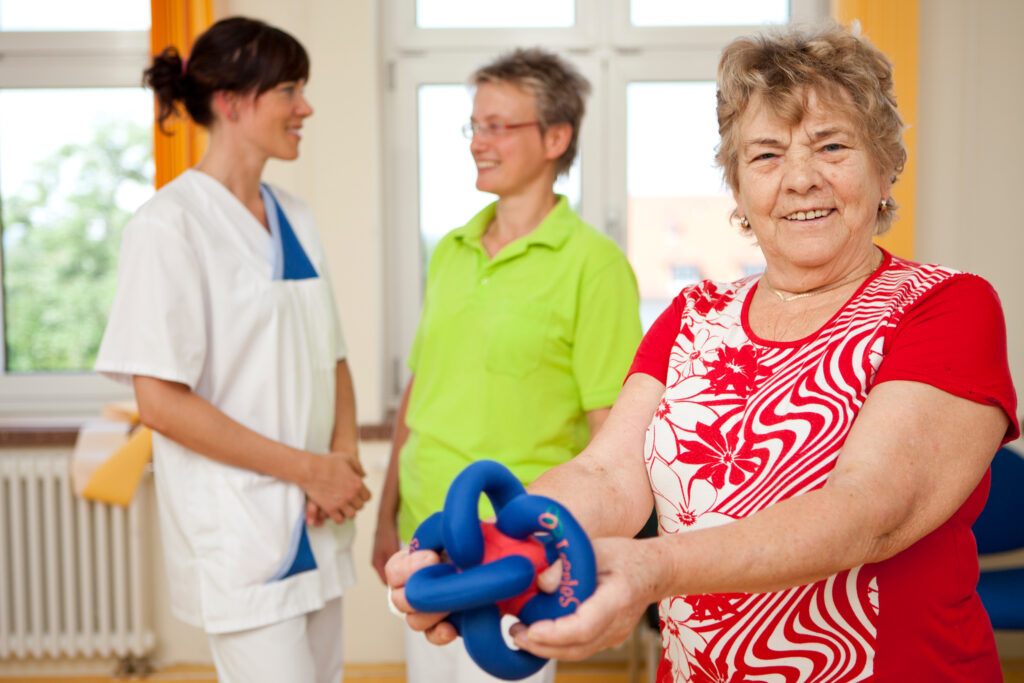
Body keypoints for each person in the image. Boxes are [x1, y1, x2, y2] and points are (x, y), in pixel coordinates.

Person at [387, 24, 1020, 682]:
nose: (800, 178)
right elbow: (608, 475)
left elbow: (866, 511)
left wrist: (652, 568)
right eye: (766, 156)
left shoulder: (945, 307)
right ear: (740, 189)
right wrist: (499, 546)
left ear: (885, 163)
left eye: (832, 146)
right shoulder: (694, 315)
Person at [95, 16, 370, 683]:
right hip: (243, 535)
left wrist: (342, 460)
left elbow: (331, 353)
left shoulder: (295, 216)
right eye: (289, 90)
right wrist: (308, 468)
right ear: (231, 101)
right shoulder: (169, 226)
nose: (304, 107)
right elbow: (160, 403)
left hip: (317, 520)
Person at [372, 48, 641, 683]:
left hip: (520, 550)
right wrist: (386, 516)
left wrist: (589, 555)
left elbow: (615, 430)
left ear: (555, 138)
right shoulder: (452, 250)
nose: (479, 143)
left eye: (499, 126)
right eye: (475, 126)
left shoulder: (594, 267)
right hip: (427, 537)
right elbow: (422, 385)